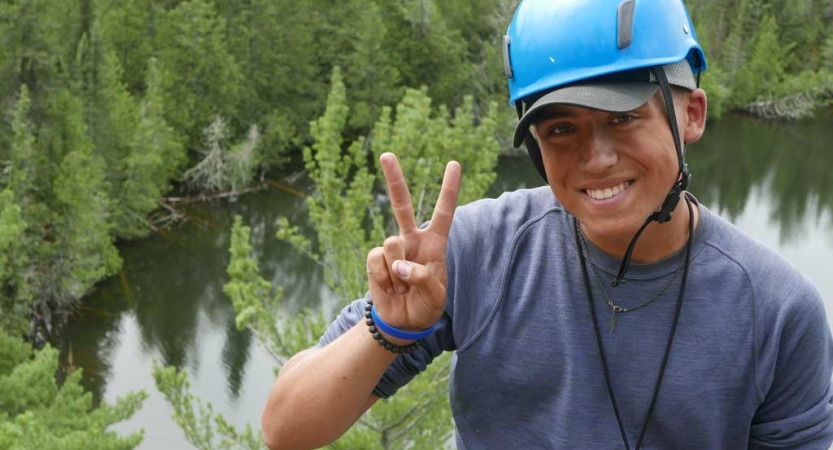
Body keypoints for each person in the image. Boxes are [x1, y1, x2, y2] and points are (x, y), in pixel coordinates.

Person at [260, 0, 833, 448]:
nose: (596, 157)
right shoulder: (476, 251)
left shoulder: (776, 310)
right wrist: (387, 331)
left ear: (692, 114)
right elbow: (286, 429)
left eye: (622, 118)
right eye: (561, 129)